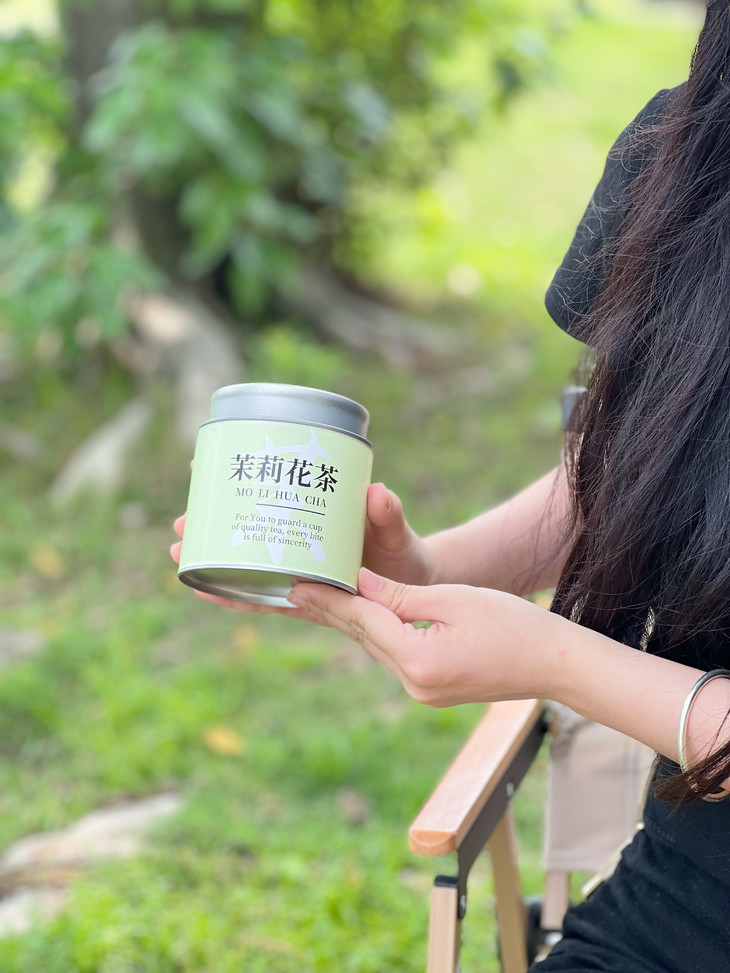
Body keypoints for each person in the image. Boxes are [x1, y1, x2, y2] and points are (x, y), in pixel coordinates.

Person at [171, 4, 730, 967]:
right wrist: (429, 567)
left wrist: (555, 660)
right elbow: (654, 464)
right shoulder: (688, 155)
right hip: (692, 891)